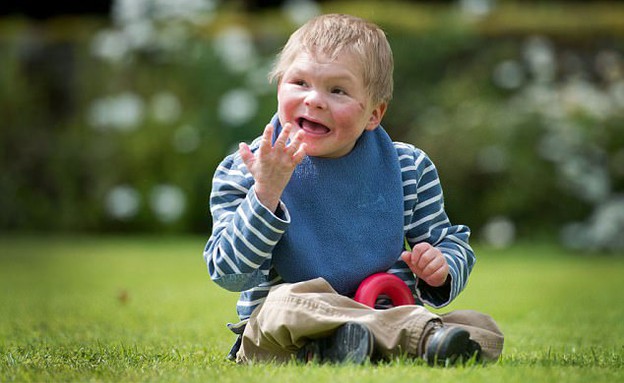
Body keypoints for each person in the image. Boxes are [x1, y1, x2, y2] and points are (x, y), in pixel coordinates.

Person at [204, 13, 504, 365]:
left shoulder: (409, 167)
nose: (314, 100)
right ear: (278, 85)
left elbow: (449, 241)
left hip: (386, 306)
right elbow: (228, 272)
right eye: (300, 82)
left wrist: (440, 266)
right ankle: (413, 340)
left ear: (374, 114)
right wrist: (265, 195)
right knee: (283, 305)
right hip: (287, 331)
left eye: (337, 90)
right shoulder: (246, 168)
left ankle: (352, 346)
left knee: (482, 327)